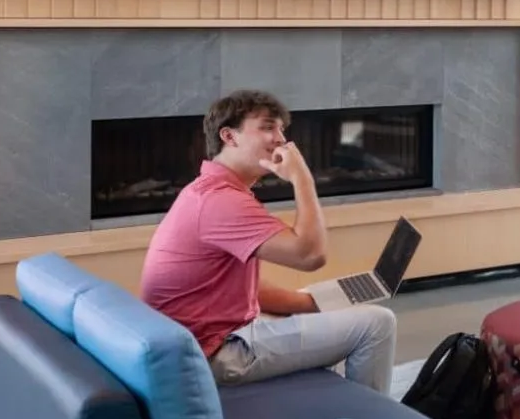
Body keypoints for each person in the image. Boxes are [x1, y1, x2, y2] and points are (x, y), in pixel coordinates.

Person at [137, 89, 397, 389]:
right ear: (229, 137)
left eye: (281, 129)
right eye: (267, 127)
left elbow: (236, 288)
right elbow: (310, 255)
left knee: (333, 317)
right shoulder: (220, 201)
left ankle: (332, 410)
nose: (281, 139)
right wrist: (302, 178)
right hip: (214, 354)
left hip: (209, 340)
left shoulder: (208, 190)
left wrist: (309, 303)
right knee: (377, 324)